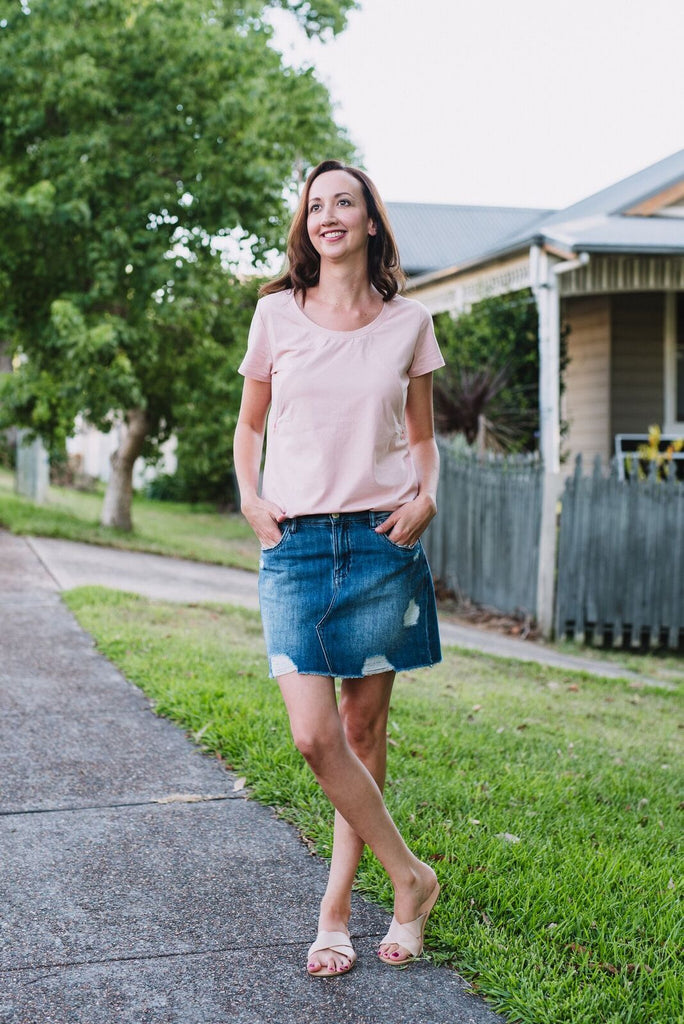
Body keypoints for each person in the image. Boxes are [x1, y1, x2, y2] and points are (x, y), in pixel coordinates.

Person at [233, 159, 444, 978]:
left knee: (362, 730)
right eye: (316, 205)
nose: (328, 216)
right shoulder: (276, 316)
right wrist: (250, 499)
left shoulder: (410, 322)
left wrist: (428, 495)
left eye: (343, 203)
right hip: (294, 545)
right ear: (306, 225)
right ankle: (412, 877)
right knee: (314, 736)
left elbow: (422, 436)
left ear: (369, 221)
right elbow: (250, 426)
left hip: (381, 542)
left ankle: (336, 915)